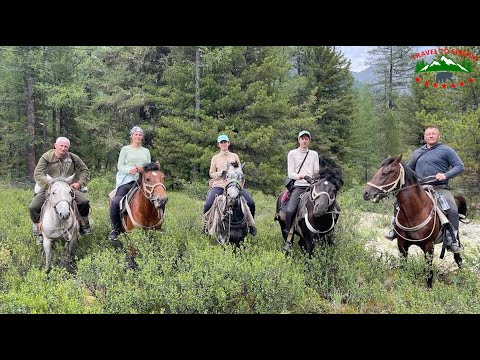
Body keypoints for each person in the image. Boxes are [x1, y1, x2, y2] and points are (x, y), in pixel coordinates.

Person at [385, 125, 464, 253]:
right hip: (419, 188)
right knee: (397, 203)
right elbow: (408, 170)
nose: (431, 136)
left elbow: (459, 166)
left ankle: (452, 239)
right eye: (428, 134)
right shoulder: (417, 152)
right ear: (424, 137)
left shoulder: (446, 150)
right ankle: (395, 229)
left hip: (439, 188)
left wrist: (445, 175)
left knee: (452, 208)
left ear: (438, 136)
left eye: (433, 133)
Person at [29, 136, 91, 245]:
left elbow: (85, 170)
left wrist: (79, 183)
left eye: (66, 146)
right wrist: (49, 184)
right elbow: (38, 173)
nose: (63, 148)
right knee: (34, 207)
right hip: (49, 187)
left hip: (67, 188)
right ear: (55, 145)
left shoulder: (73, 157)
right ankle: (38, 229)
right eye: (61, 146)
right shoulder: (46, 157)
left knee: (84, 201)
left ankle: (83, 224)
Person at [203, 134, 256, 236]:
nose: (223, 144)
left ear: (228, 143)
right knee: (208, 204)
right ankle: (206, 226)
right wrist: (221, 173)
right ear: (218, 145)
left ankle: (250, 226)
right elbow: (211, 173)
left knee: (251, 203)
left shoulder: (234, 156)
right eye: (221, 142)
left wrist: (240, 185)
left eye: (225, 142)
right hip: (219, 186)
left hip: (235, 186)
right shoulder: (215, 158)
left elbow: (240, 171)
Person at [108, 126, 151, 242]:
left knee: (157, 198)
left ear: (142, 137)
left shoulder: (146, 151)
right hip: (127, 180)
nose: (138, 136)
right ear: (131, 136)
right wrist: (129, 170)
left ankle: (156, 225)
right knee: (116, 201)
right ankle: (116, 229)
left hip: (141, 181)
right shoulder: (125, 149)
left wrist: (141, 169)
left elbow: (148, 167)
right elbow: (120, 166)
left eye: (140, 135)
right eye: (136, 134)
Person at [283, 130, 320, 251]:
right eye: (302, 138)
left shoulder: (314, 154)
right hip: (299, 185)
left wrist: (313, 180)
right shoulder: (292, 153)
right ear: (298, 140)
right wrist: (301, 176)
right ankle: (289, 237)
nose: (304, 140)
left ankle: (326, 234)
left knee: (326, 204)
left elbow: (316, 171)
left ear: (309, 140)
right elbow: (290, 173)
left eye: (306, 138)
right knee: (290, 210)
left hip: (312, 185)